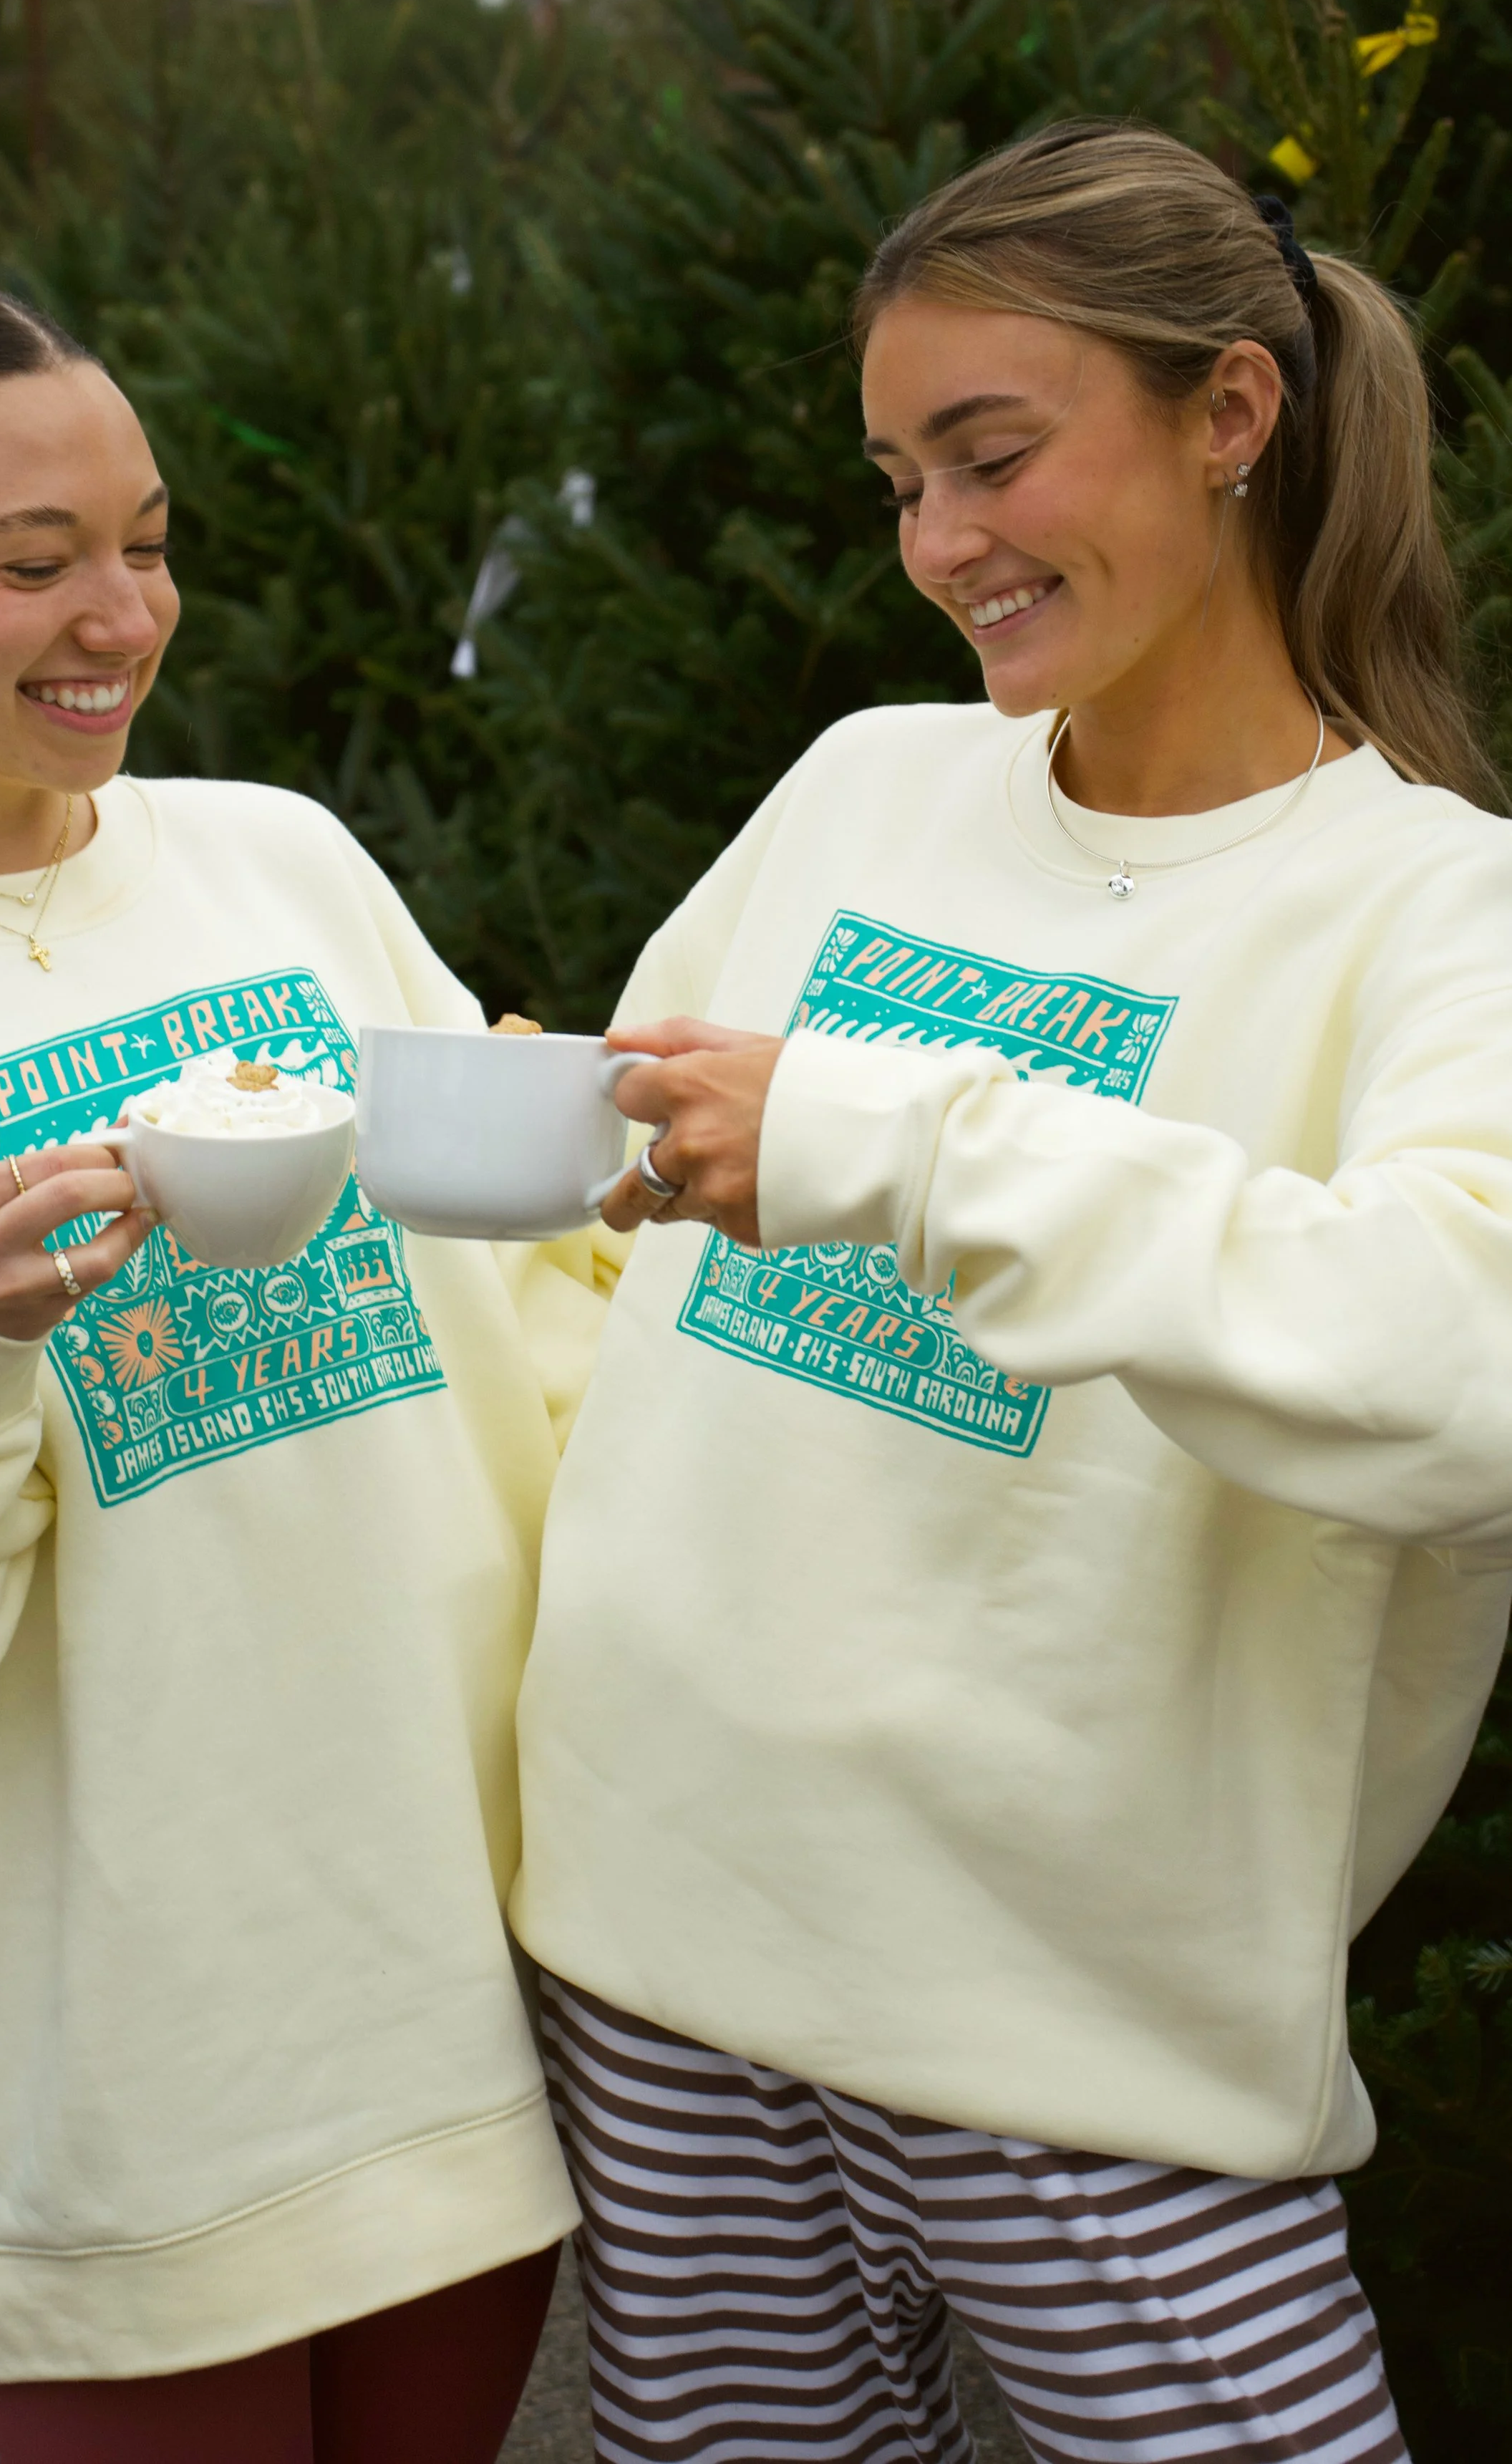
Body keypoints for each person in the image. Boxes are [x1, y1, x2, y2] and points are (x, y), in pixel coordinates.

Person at [512, 122, 1512, 2463]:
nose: (938, 543)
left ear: (1231, 417)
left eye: (991, 455)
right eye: (896, 477)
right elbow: (610, 1211)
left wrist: (886, 1137)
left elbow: (1456, 1361)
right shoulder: (868, 783)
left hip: (1068, 1997)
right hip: (657, 1914)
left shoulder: (1431, 903)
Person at [0, 273, 603, 2463]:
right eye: (31, 561)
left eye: (145, 540)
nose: (117, 610)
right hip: (126, 2062)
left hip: (467, 1981)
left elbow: (526, 1337)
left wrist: (609, 1172)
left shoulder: (275, 860)